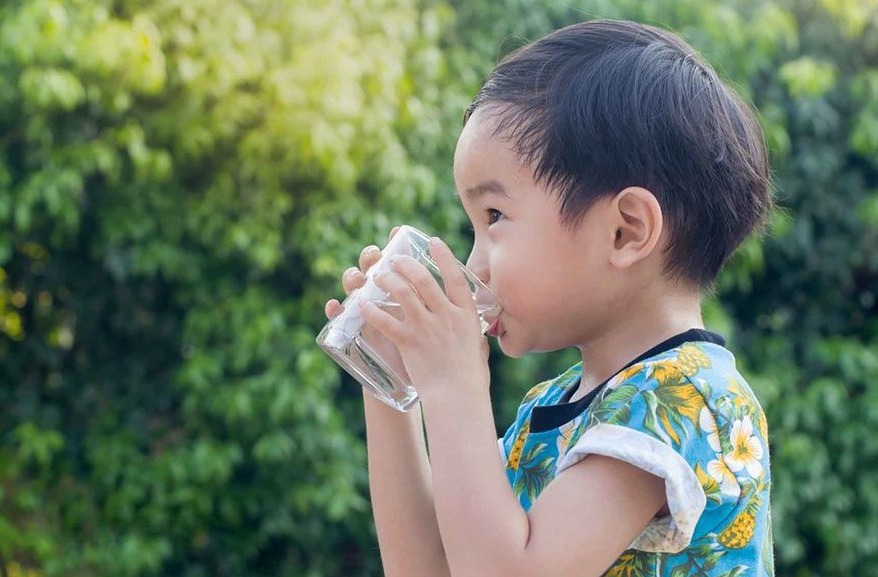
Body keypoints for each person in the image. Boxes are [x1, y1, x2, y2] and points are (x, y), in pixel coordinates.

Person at [324, 19, 774, 577]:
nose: (472, 266)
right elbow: (428, 568)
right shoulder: (549, 407)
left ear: (625, 231)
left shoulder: (683, 399)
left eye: (494, 218)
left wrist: (454, 382)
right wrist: (392, 382)